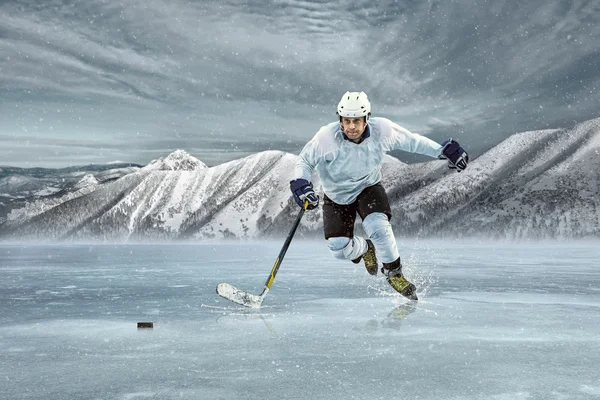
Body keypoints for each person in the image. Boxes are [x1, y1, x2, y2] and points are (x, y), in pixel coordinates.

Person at [289, 91, 468, 301]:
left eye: (356, 121)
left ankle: (394, 273)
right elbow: (304, 161)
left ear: (367, 119)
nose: (351, 127)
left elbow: (413, 142)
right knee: (338, 248)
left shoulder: (382, 131)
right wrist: (301, 184)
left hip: (368, 187)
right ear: (340, 119)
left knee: (378, 227)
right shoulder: (326, 138)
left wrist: (442, 151)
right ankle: (366, 248)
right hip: (336, 197)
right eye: (346, 121)